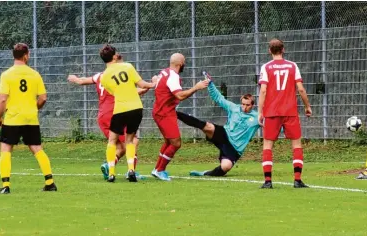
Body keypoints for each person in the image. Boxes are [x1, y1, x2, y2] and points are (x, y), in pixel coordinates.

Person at [67, 55, 149, 180]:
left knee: (119, 146)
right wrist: (145, 88)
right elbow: (126, 92)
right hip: (114, 112)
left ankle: (109, 166)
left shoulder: (101, 75)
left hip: (102, 116)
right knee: (132, 141)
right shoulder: (116, 74)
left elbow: (82, 81)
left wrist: (75, 79)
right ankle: (131, 171)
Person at [0, 43, 57, 194]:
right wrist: (33, 108)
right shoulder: (34, 74)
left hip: (13, 117)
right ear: (26, 55)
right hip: (30, 118)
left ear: (13, 56)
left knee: (6, 148)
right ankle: (50, 183)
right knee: (37, 148)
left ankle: (6, 185)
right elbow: (43, 98)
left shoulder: (7, 74)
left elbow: (2, 100)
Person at [178, 73, 260, 176]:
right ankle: (175, 113)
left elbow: (272, 124)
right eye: (243, 104)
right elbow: (219, 98)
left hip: (235, 148)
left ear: (252, 105)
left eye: (247, 105)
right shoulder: (234, 108)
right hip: (224, 135)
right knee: (207, 126)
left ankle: (204, 173)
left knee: (225, 167)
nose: (244, 107)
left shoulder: (257, 117)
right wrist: (210, 84)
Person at [257, 39, 312, 189]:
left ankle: (268, 181)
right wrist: (307, 106)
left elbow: (263, 90)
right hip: (290, 111)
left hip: (272, 111)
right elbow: (300, 88)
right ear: (283, 49)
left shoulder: (266, 67)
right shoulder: (292, 66)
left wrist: (260, 111)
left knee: (268, 144)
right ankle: (297, 180)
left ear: (270, 51)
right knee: (296, 143)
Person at [99, 44, 155, 182]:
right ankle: (131, 171)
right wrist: (153, 83)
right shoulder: (128, 66)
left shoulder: (104, 77)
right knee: (130, 140)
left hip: (120, 109)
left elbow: (115, 92)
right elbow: (141, 84)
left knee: (112, 141)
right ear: (114, 56)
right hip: (136, 108)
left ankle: (111, 173)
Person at [151, 53, 209, 181]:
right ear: (180, 64)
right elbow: (180, 95)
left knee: (169, 142)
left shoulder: (164, 72)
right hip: (165, 113)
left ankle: (157, 169)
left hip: (159, 111)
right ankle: (160, 170)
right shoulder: (173, 76)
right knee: (176, 143)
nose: (185, 64)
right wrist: (196, 87)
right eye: (184, 62)